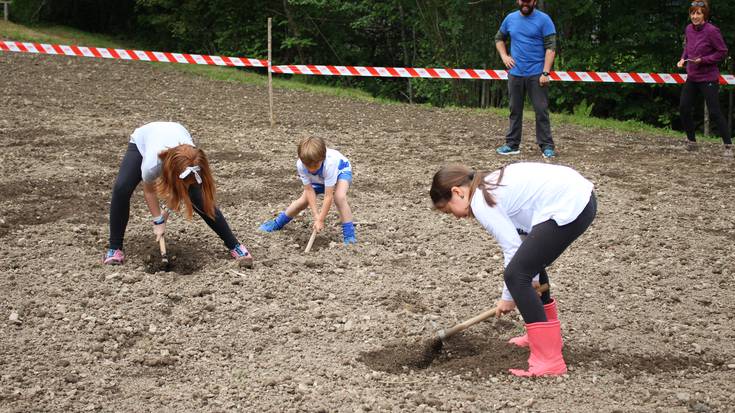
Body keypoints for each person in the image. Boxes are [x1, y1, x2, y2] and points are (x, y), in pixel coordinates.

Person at [429, 162, 596, 377]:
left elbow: (512, 248)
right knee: (526, 269)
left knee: (516, 275)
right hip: (579, 198)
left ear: (457, 192)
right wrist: (532, 277)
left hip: (571, 203)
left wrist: (508, 297)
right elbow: (525, 240)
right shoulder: (488, 187)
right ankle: (543, 339)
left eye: (448, 209)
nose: (455, 216)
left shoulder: (481, 201)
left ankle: (549, 360)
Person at [103, 121, 253, 267]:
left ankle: (234, 245)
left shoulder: (193, 159)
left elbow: (180, 189)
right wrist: (158, 221)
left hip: (177, 132)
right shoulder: (152, 165)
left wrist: (166, 213)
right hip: (144, 138)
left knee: (198, 198)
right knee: (121, 188)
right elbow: (149, 191)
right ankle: (115, 248)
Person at [258, 137, 356, 245]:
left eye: (315, 165)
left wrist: (321, 220)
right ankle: (277, 223)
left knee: (339, 197)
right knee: (303, 200)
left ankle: (349, 235)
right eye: (308, 166)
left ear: (322, 158)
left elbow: (328, 196)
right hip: (319, 178)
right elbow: (309, 191)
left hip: (340, 171)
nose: (311, 169)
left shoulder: (330, 164)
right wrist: (316, 216)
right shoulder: (301, 165)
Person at [495, 0, 558, 159]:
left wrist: (545, 72)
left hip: (537, 74)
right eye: (522, 0)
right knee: (514, 110)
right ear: (518, 1)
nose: (525, 3)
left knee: (541, 110)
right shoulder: (510, 18)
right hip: (515, 73)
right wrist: (504, 57)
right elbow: (499, 38)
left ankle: (547, 146)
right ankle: (512, 144)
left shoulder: (544, 20)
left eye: (528, 1)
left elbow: (551, 47)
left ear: (534, 1)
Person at [677, 0, 732, 157]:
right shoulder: (688, 29)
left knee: (714, 111)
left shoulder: (712, 31)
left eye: (698, 13)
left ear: (704, 15)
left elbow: (722, 52)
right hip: (692, 77)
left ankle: (728, 145)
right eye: (692, 13)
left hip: (708, 77)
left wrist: (704, 60)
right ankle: (692, 142)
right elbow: (687, 48)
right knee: (684, 107)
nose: (695, 16)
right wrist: (683, 59)